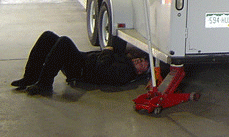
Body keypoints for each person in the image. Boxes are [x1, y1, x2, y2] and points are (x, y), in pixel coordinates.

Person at [11, 31, 149, 96]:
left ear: (141, 72)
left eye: (142, 63)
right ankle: (30, 76)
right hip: (81, 60)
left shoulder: (124, 73)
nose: (139, 60)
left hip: (80, 70)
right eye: (141, 59)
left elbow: (101, 69)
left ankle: (44, 84)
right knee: (48, 36)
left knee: (64, 42)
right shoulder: (126, 61)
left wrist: (107, 51)